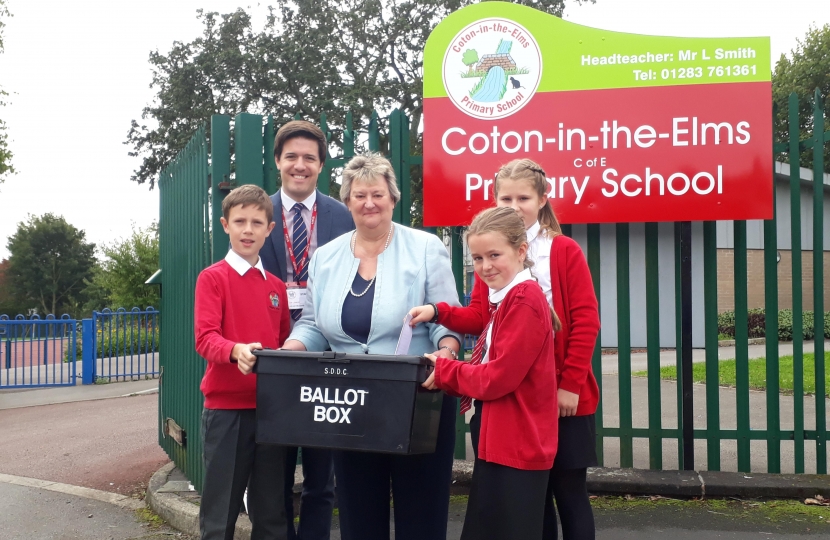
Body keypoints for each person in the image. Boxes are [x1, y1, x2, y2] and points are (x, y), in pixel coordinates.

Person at [414, 158, 601, 540]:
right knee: (532, 503)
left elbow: (585, 322)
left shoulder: (561, 251)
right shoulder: (493, 252)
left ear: (543, 199)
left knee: (568, 493)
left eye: (523, 197)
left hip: (560, 393)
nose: (514, 205)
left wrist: (571, 384)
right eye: (505, 197)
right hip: (518, 398)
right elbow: (482, 315)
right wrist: (439, 311)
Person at [282, 153, 462, 540]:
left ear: (393, 199)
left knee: (422, 511)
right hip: (351, 399)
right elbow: (313, 324)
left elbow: (447, 318)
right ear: (346, 201)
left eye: (377, 194)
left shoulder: (426, 248)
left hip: (418, 394)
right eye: (359, 195)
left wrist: (445, 352)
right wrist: (290, 350)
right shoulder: (324, 258)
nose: (369, 203)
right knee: (358, 511)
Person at [417, 206, 559, 540]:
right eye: (478, 258)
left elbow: (497, 378)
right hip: (506, 441)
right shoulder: (509, 298)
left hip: (518, 445)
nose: (485, 267)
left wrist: (446, 369)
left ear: (521, 250)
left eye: (494, 255)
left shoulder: (523, 300)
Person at [259, 120, 354, 540]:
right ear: (278, 161)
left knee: (323, 467)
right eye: (291, 157)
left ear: (321, 166)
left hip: (328, 352)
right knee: (274, 464)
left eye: (309, 159)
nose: (300, 165)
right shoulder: (255, 213)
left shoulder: (343, 215)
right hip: (273, 350)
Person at [194, 184, 290, 540]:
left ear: (270, 229)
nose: (247, 229)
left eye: (256, 222)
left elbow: (282, 344)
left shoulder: (277, 287)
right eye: (239, 221)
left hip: (269, 411)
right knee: (221, 513)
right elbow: (205, 339)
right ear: (225, 225)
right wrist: (236, 351)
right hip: (227, 412)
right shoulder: (212, 278)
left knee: (271, 512)